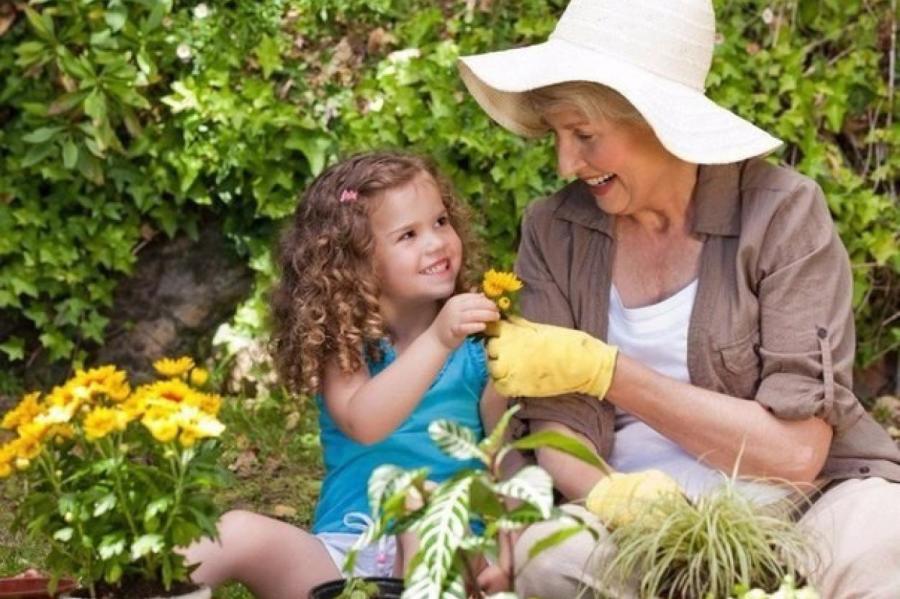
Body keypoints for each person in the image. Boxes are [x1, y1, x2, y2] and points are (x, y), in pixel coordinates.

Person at [456, 0, 900, 597]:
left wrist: (610, 372)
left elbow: (797, 454)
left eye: (585, 135)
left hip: (799, 508)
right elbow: (557, 430)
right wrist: (633, 509)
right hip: (628, 518)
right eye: (559, 136)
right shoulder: (553, 229)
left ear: (658, 122)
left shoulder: (782, 214)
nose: (565, 162)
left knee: (884, 536)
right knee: (550, 560)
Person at [183, 151, 505, 599]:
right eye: (408, 235)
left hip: (448, 552)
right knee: (234, 532)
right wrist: (438, 339)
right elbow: (364, 421)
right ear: (356, 260)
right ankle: (138, 590)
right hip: (341, 561)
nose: (436, 243)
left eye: (441, 221)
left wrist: (508, 553)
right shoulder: (348, 344)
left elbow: (507, 458)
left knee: (423, 502)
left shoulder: (479, 348)